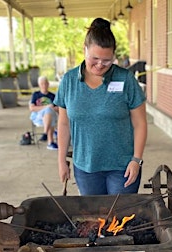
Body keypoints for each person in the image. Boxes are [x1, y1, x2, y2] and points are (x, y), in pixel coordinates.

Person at [54, 18, 147, 195]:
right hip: (85, 167)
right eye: (94, 58)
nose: (100, 65)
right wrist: (61, 161)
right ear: (85, 49)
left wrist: (137, 159)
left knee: (120, 219)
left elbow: (140, 123)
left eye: (107, 60)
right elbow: (64, 124)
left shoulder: (125, 79)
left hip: (123, 167)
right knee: (94, 220)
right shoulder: (69, 81)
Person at [29, 76, 58, 150]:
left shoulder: (52, 96)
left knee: (49, 114)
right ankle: (50, 142)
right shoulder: (36, 95)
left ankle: (45, 134)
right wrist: (47, 107)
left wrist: (51, 108)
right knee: (48, 112)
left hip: (50, 117)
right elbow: (32, 108)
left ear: (48, 84)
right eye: (42, 84)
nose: (44, 85)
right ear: (39, 85)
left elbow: (58, 108)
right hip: (38, 117)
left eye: (45, 83)